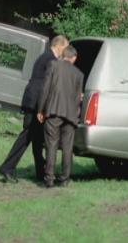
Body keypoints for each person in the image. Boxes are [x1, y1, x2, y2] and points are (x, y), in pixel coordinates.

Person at [0, 35, 69, 183]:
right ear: (60, 46)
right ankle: (7, 168)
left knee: (37, 138)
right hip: (36, 103)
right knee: (27, 136)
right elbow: (46, 85)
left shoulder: (46, 57)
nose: (66, 51)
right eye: (65, 48)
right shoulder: (50, 60)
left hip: (34, 102)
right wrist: (41, 109)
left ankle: (40, 172)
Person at [37, 45, 84, 188]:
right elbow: (78, 98)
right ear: (74, 58)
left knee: (51, 145)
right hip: (70, 115)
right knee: (67, 147)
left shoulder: (53, 65)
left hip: (54, 111)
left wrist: (41, 109)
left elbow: (46, 88)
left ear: (64, 55)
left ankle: (49, 178)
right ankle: (64, 179)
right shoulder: (79, 74)